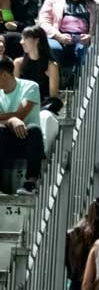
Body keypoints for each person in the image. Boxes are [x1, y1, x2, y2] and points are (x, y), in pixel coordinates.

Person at [0, 54, 44, 193]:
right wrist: (12, 121)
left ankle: (31, 182)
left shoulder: (30, 86)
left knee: (34, 130)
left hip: (27, 140)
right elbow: (15, 118)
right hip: (6, 140)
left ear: (5, 75)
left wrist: (14, 118)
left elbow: (21, 114)